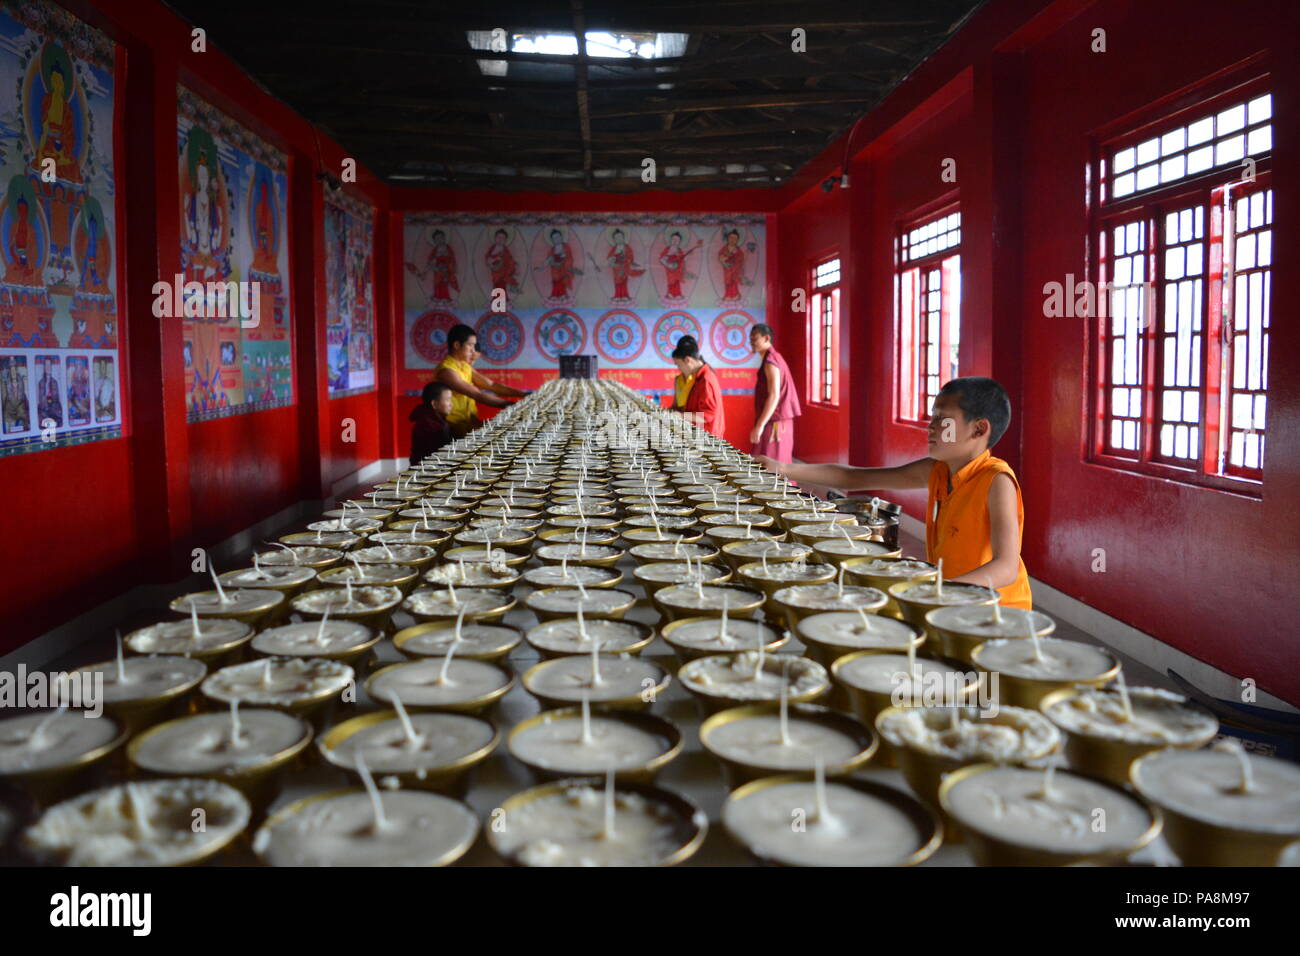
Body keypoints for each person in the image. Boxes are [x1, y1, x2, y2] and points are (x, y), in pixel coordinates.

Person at [755, 376, 1032, 609]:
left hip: (996, 611)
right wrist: (783, 469)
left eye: (942, 419)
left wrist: (935, 589)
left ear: (979, 428)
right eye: (932, 417)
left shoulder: (996, 481)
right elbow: (854, 477)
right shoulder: (937, 471)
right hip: (949, 599)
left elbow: (1006, 568)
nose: (931, 426)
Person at [434, 323, 527, 437]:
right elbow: (477, 395)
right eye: (470, 345)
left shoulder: (465, 366)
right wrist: (512, 405)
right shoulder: (446, 371)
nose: (473, 351)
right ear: (457, 345)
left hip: (470, 423)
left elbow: (491, 385)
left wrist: (523, 395)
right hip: (453, 428)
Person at [748, 323, 801, 462]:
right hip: (774, 420)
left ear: (766, 338)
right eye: (750, 339)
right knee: (766, 462)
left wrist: (759, 425)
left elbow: (774, 395)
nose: (751, 342)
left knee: (773, 465)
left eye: (755, 339)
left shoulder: (771, 360)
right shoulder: (770, 358)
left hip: (775, 423)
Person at [669, 335, 726, 438]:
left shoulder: (706, 379)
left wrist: (681, 415)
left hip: (708, 439)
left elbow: (707, 416)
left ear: (687, 360)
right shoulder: (695, 378)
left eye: (678, 365)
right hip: (696, 435)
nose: (679, 369)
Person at [409, 381, 453, 465]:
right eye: (447, 400)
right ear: (434, 404)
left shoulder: (435, 419)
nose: (451, 404)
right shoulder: (430, 425)